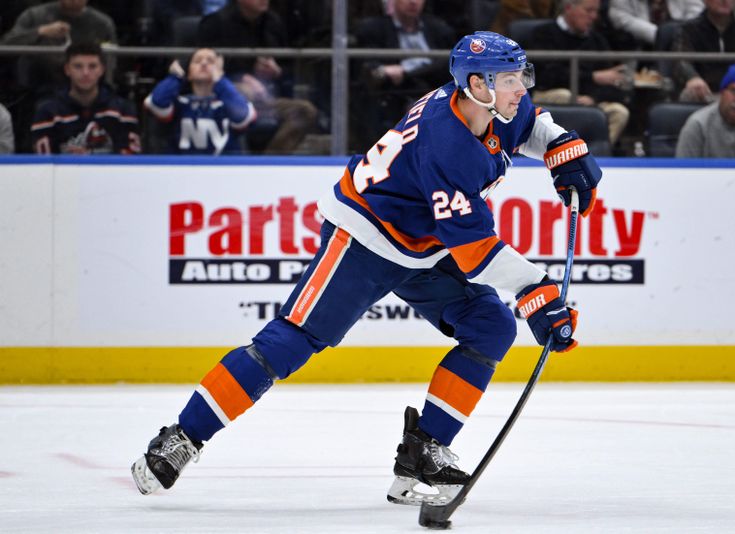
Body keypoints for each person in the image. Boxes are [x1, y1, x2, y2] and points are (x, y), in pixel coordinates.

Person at [130, 31, 601, 506]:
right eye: (508, 79)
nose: (521, 88)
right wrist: (536, 289)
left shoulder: (497, 102)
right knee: (289, 342)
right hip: (365, 236)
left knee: (490, 326)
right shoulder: (447, 144)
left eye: (522, 76)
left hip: (425, 243)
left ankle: (424, 454)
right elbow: (476, 251)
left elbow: (532, 124)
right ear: (476, 85)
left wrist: (561, 146)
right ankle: (182, 436)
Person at [197, 0, 317, 154]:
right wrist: (243, 76)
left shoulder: (274, 22)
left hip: (266, 99)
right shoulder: (215, 23)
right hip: (225, 97)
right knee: (245, 90)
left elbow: (288, 65)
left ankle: (271, 161)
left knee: (305, 111)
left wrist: (277, 70)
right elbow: (203, 65)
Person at [353, 0, 456, 147]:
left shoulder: (439, 30)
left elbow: (449, 63)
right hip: (394, 95)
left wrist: (405, 71)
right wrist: (383, 71)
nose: (413, 2)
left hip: (434, 92)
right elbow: (368, 66)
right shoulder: (373, 29)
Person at [529, 0, 631, 146]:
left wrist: (594, 98)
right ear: (569, 8)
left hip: (588, 100)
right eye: (589, 11)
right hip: (549, 93)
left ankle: (592, 155)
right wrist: (592, 77)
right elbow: (546, 76)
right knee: (565, 96)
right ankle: (556, 150)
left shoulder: (598, 41)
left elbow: (612, 83)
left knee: (619, 112)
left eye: (596, 12)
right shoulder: (543, 34)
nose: (594, 16)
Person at [30, 42, 140, 155]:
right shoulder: (47, 112)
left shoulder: (122, 110)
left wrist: (90, 158)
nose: (85, 73)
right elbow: (44, 164)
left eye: (92, 66)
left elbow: (130, 160)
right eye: (78, 66)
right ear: (67, 70)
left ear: (102, 70)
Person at [144, 48, 256, 155]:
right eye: (197, 61)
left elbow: (243, 116)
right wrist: (176, 77)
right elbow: (156, 102)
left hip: (223, 169)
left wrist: (220, 80)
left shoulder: (227, 102)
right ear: (189, 73)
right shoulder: (180, 104)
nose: (204, 63)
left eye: (211, 61)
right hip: (181, 169)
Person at [608, 0, 703, 48]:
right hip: (641, 51)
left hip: (684, 48)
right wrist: (665, 35)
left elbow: (698, 13)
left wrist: (681, 34)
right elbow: (622, 19)